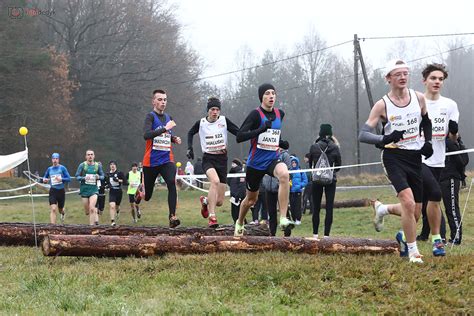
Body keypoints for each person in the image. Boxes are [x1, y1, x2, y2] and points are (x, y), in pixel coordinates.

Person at [372, 63, 460, 257]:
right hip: (416, 158)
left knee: (415, 211)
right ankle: (436, 241)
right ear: (424, 81)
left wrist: (453, 133)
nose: (437, 82)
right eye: (433, 78)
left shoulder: (450, 105)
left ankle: (388, 216)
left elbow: (452, 138)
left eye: (440, 79)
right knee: (433, 195)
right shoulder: (413, 100)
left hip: (437, 159)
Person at [358, 59, 434, 263]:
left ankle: (383, 209)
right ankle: (413, 252)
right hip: (393, 157)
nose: (402, 77)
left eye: (405, 73)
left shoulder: (418, 98)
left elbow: (426, 121)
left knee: (414, 211)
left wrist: (428, 142)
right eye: (397, 74)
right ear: (388, 78)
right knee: (408, 202)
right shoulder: (382, 104)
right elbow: (363, 134)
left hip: (414, 157)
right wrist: (385, 138)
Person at [234, 83, 292, 236]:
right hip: (255, 163)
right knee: (251, 200)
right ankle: (239, 222)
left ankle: (284, 218)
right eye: (267, 93)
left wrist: (281, 142)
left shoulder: (280, 114)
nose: (271, 96)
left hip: (272, 159)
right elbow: (240, 136)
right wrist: (260, 129)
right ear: (261, 97)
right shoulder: (255, 114)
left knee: (285, 175)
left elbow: (272, 136)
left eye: (273, 93)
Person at [187, 97, 239, 227]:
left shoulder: (224, 121)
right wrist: (190, 148)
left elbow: (238, 132)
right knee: (214, 181)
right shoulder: (201, 123)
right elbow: (190, 133)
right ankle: (212, 217)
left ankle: (205, 201)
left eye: (217, 109)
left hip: (222, 159)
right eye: (212, 109)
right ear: (208, 110)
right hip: (208, 159)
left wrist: (252, 133)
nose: (215, 112)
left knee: (220, 201)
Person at [142, 89, 182, 228]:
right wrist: (165, 129)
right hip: (151, 161)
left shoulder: (168, 117)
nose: (163, 102)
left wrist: (173, 139)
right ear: (153, 101)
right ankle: (139, 194)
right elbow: (147, 135)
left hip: (166, 159)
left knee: (172, 183)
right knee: (147, 197)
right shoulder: (150, 117)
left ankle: (172, 216)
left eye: (165, 99)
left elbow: (165, 135)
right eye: (159, 99)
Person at [308, 124, 341, 239]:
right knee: (329, 207)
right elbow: (338, 166)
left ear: (320, 133)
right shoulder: (335, 147)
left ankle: (315, 234)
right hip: (331, 181)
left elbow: (310, 163)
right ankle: (326, 235)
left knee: (316, 207)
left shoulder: (314, 146)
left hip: (316, 181)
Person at [440, 133, 469, 245]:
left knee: (452, 208)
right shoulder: (439, 141)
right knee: (436, 207)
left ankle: (456, 238)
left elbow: (463, 161)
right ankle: (441, 237)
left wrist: (454, 144)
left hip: (451, 178)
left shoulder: (454, 143)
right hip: (440, 177)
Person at [75, 150, 105, 225]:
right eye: (88, 155)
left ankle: (91, 228)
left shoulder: (98, 165)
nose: (90, 156)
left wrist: (99, 177)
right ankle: (91, 217)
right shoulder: (82, 165)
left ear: (94, 156)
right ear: (86, 156)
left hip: (94, 190)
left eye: (91, 154)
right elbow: (77, 176)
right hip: (84, 190)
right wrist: (83, 178)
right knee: (87, 211)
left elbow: (103, 176)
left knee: (92, 208)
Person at [41, 153, 71, 224]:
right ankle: (53, 227)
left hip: (61, 191)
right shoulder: (49, 169)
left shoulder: (62, 168)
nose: (55, 160)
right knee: (53, 209)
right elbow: (44, 177)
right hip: (53, 191)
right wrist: (44, 180)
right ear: (52, 160)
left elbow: (69, 179)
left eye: (56, 159)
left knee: (60, 210)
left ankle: (63, 213)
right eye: (54, 159)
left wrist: (62, 179)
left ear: (58, 160)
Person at [289, 155, 308, 226]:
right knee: (292, 206)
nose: (293, 164)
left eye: (295, 163)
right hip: (291, 192)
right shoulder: (289, 171)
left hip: (298, 192)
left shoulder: (301, 171)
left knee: (298, 206)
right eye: (292, 163)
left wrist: (300, 186)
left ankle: (298, 219)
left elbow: (305, 181)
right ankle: (293, 219)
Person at [105, 161, 126, 226]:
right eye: (111, 164)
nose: (112, 166)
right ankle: (112, 221)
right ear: (109, 166)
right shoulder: (108, 174)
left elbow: (125, 182)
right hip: (112, 191)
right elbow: (106, 183)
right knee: (112, 206)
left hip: (119, 191)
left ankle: (118, 211)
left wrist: (118, 180)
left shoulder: (120, 173)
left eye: (113, 164)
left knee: (117, 206)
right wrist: (107, 185)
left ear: (116, 166)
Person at [227, 158, 246, 223]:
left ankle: (242, 223)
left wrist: (239, 196)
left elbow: (242, 186)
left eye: (234, 164)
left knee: (239, 212)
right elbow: (228, 182)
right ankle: (236, 223)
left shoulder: (241, 173)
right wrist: (230, 172)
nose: (232, 165)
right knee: (234, 212)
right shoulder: (232, 173)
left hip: (239, 196)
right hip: (233, 196)